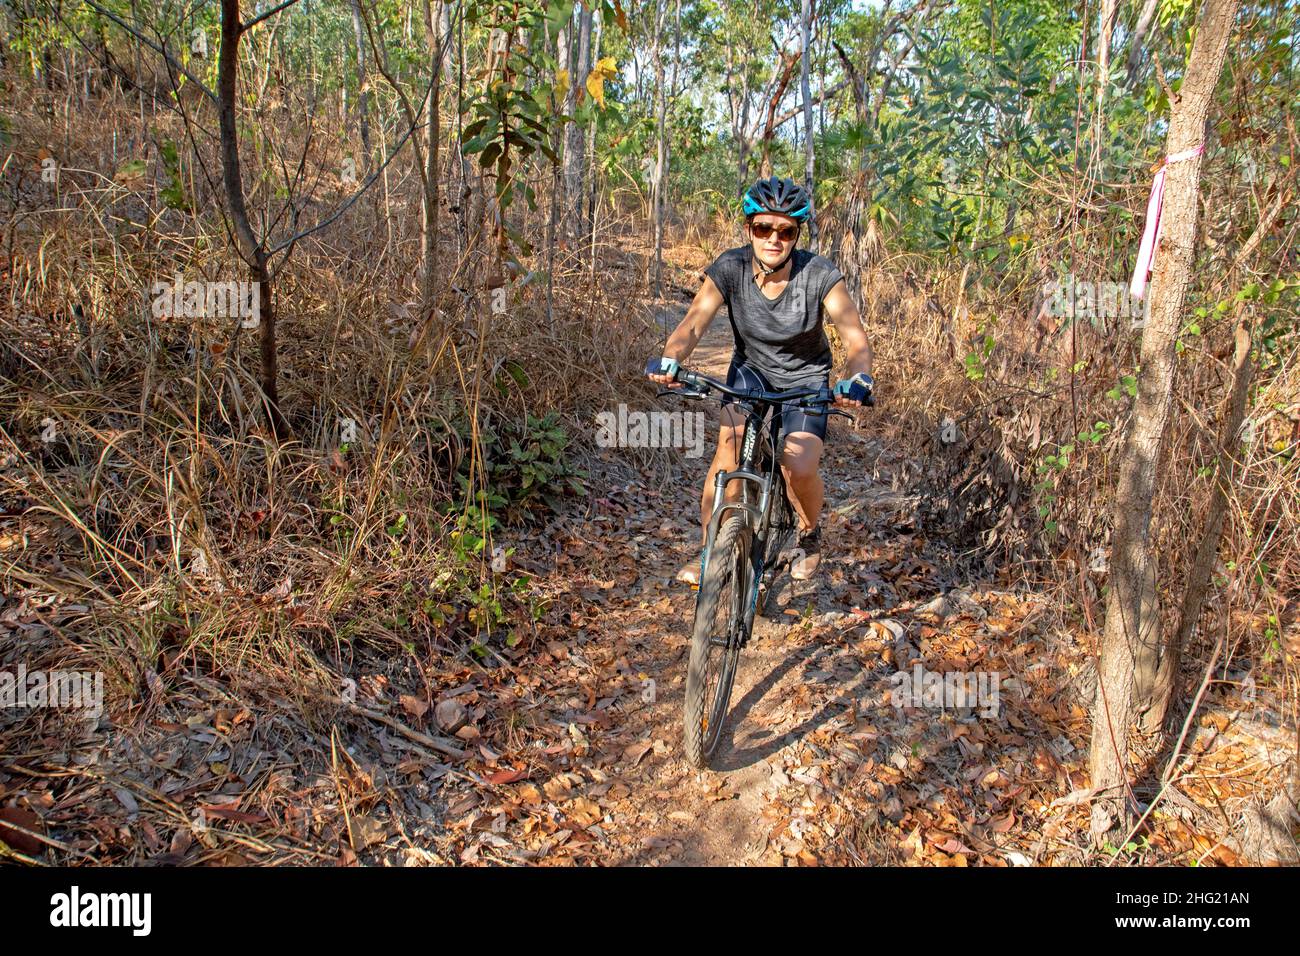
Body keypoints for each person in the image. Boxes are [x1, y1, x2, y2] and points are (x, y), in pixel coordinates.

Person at [647, 175, 875, 586]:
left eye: (785, 230)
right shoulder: (730, 267)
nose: (774, 238)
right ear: (749, 228)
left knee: (799, 467)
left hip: (806, 379)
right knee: (728, 456)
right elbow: (695, 322)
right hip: (750, 372)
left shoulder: (820, 274)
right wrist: (670, 359)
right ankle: (710, 551)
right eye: (763, 228)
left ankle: (808, 534)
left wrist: (858, 378)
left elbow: (854, 338)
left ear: (796, 235)